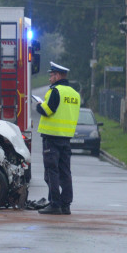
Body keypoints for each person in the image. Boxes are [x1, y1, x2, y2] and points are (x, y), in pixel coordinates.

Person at [36, 61, 81, 215]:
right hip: (66, 138)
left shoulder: (55, 91)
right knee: (65, 172)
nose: (50, 79)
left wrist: (38, 106)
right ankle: (66, 205)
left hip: (52, 137)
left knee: (51, 171)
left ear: (59, 75)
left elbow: (47, 110)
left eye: (52, 75)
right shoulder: (75, 94)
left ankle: (55, 204)